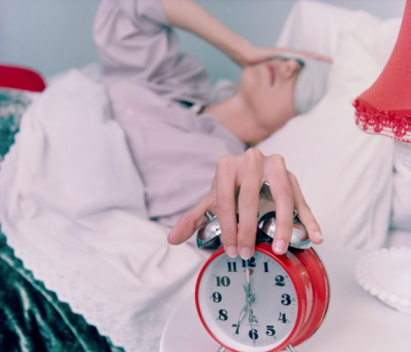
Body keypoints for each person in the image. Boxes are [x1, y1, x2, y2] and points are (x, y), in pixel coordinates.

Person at [93, 0, 330, 260]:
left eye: (306, 85)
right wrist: (241, 48)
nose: (291, 65)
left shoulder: (218, 173)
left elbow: (236, 232)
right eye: (297, 61)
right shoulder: (175, 83)